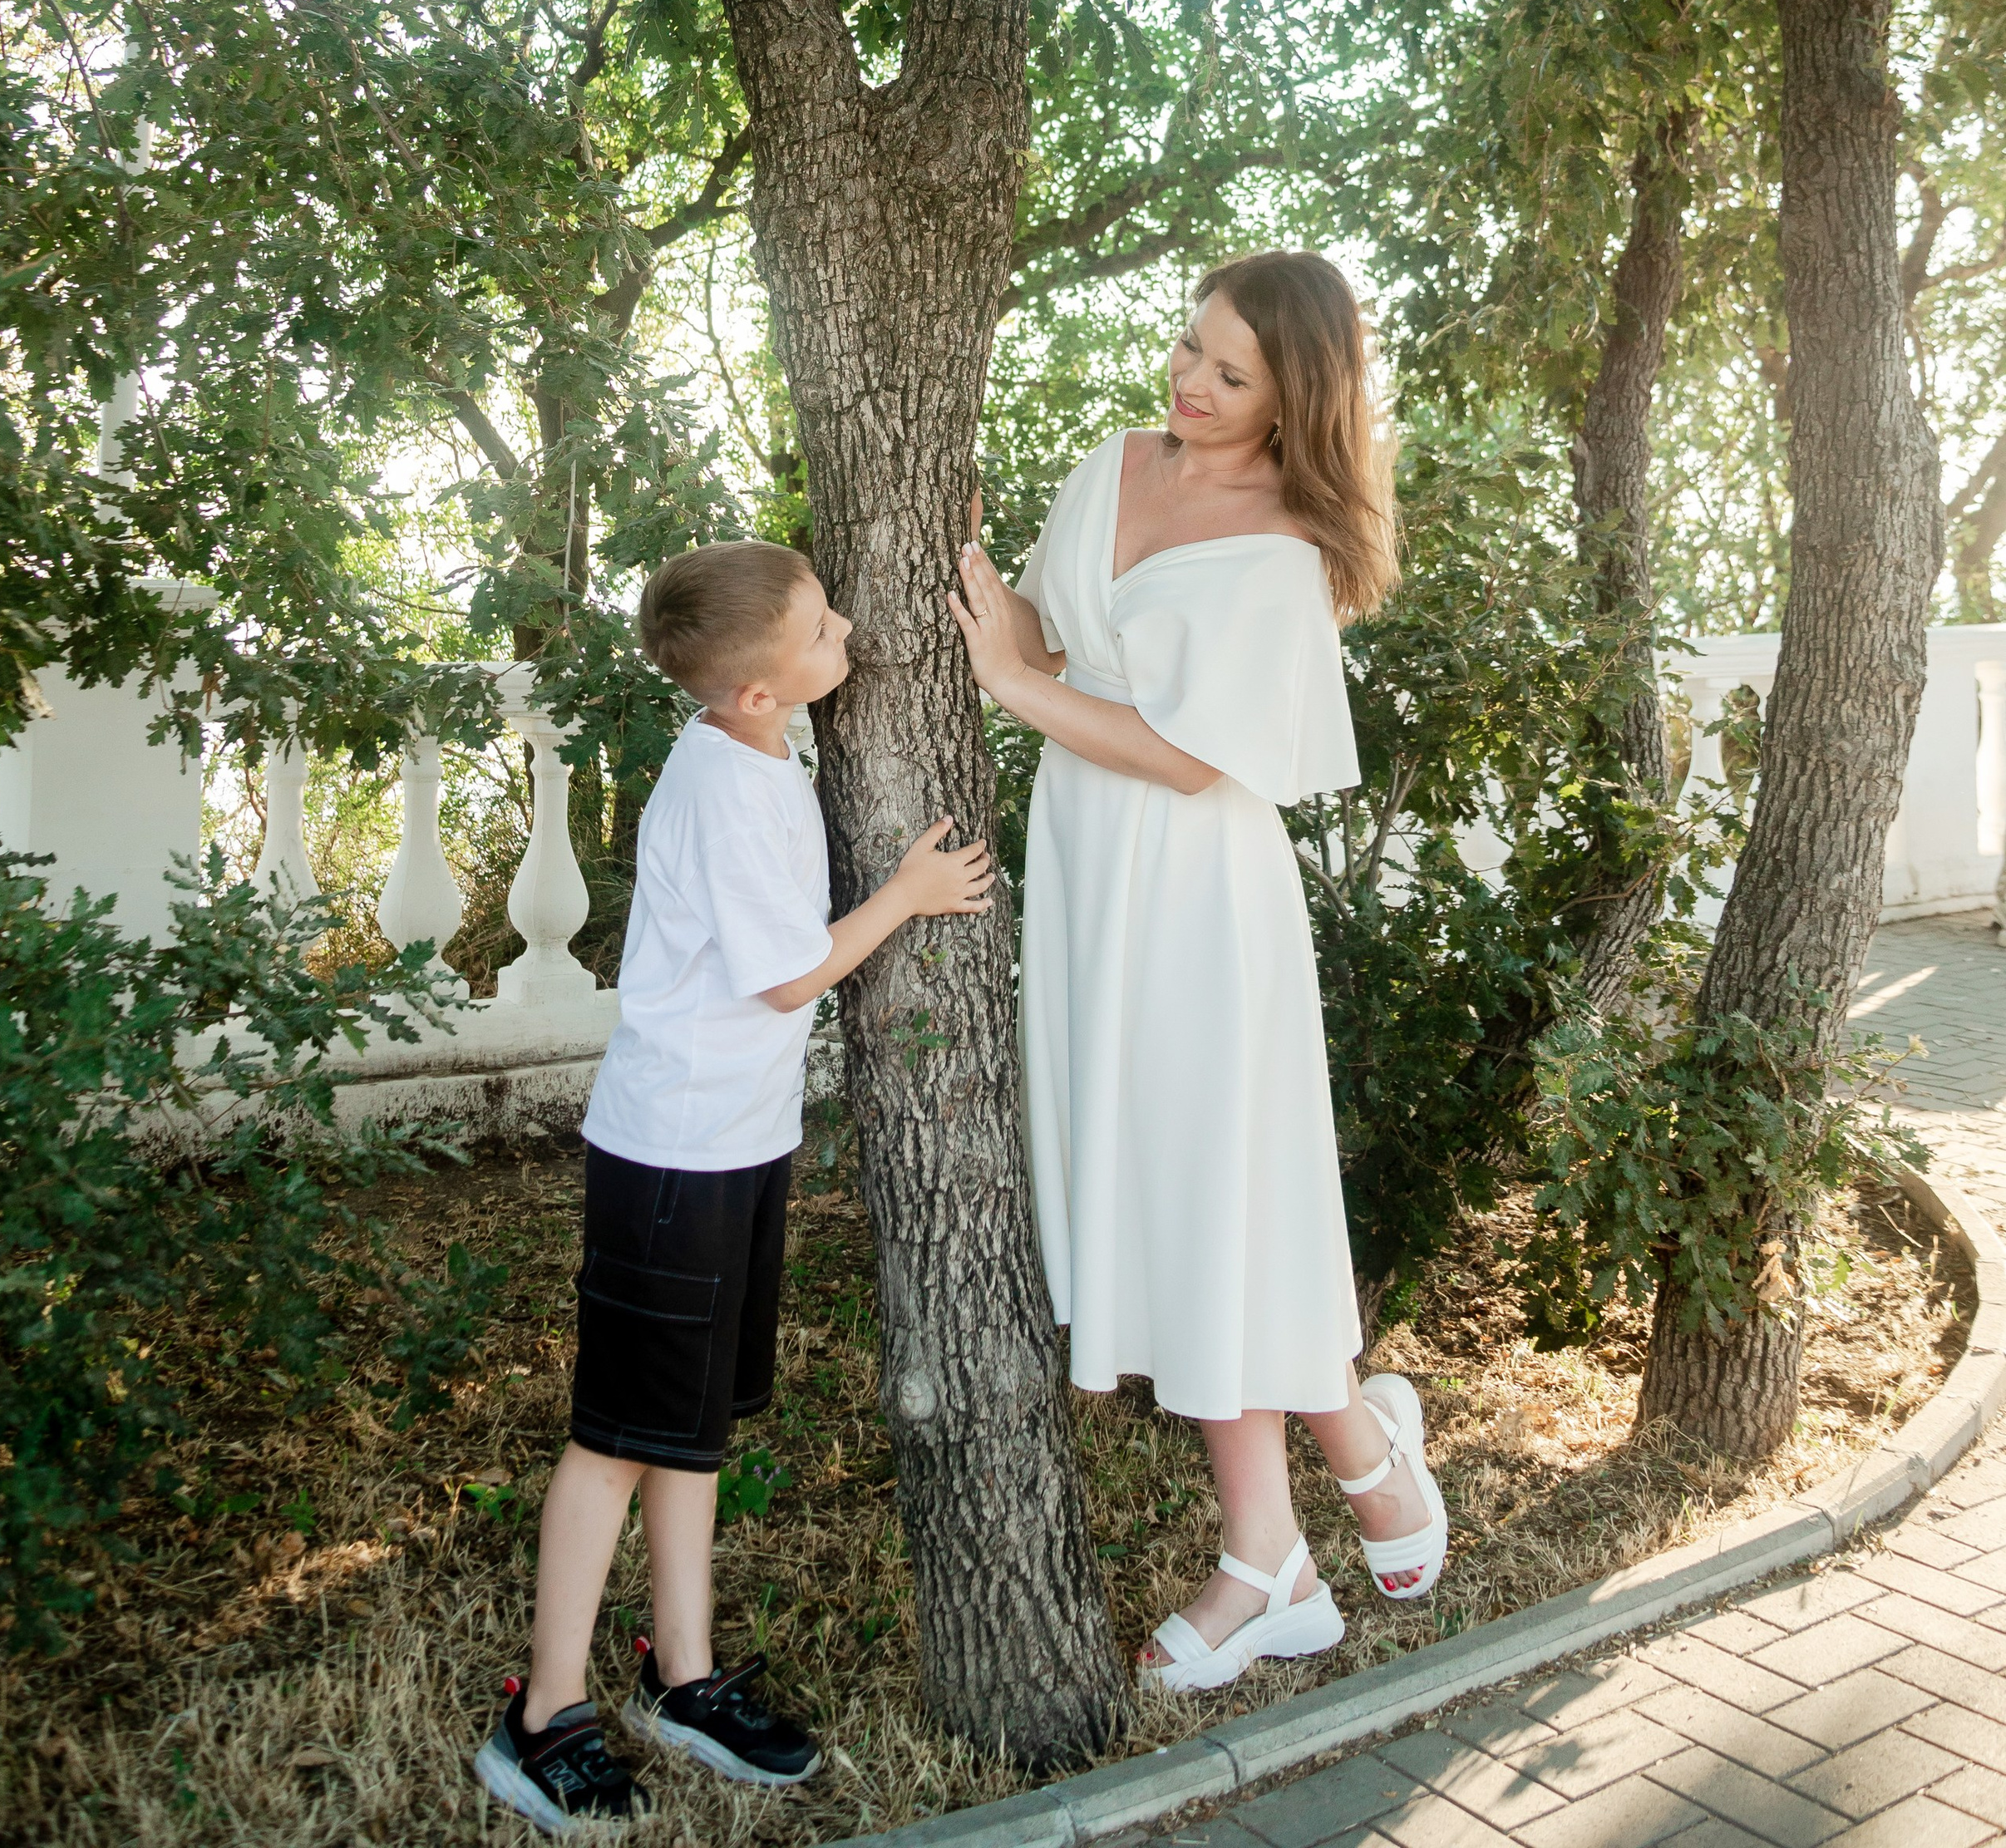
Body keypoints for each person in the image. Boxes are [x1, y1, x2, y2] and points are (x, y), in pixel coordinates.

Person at [949, 252, 1449, 1693]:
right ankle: (1350, 1456)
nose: (1189, 383)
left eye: (1230, 374)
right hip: (1091, 877)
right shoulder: (1108, 465)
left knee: (1220, 1193)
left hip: (1201, 889)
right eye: (1187, 347)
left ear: (1294, 401)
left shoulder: (1289, 551)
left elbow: (1189, 754)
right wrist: (990, 595)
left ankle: (1269, 1559)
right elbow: (1044, 634)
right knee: (1177, 1195)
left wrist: (1020, 692)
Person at [476, 539, 995, 1831]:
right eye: (822, 630)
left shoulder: (763, 748)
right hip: (672, 1156)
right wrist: (910, 896)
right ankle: (543, 1715)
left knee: (688, 1434)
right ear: (758, 693)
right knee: (615, 1441)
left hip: (736, 1145)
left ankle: (685, 1675)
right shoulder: (723, 784)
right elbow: (783, 975)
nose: (847, 634)